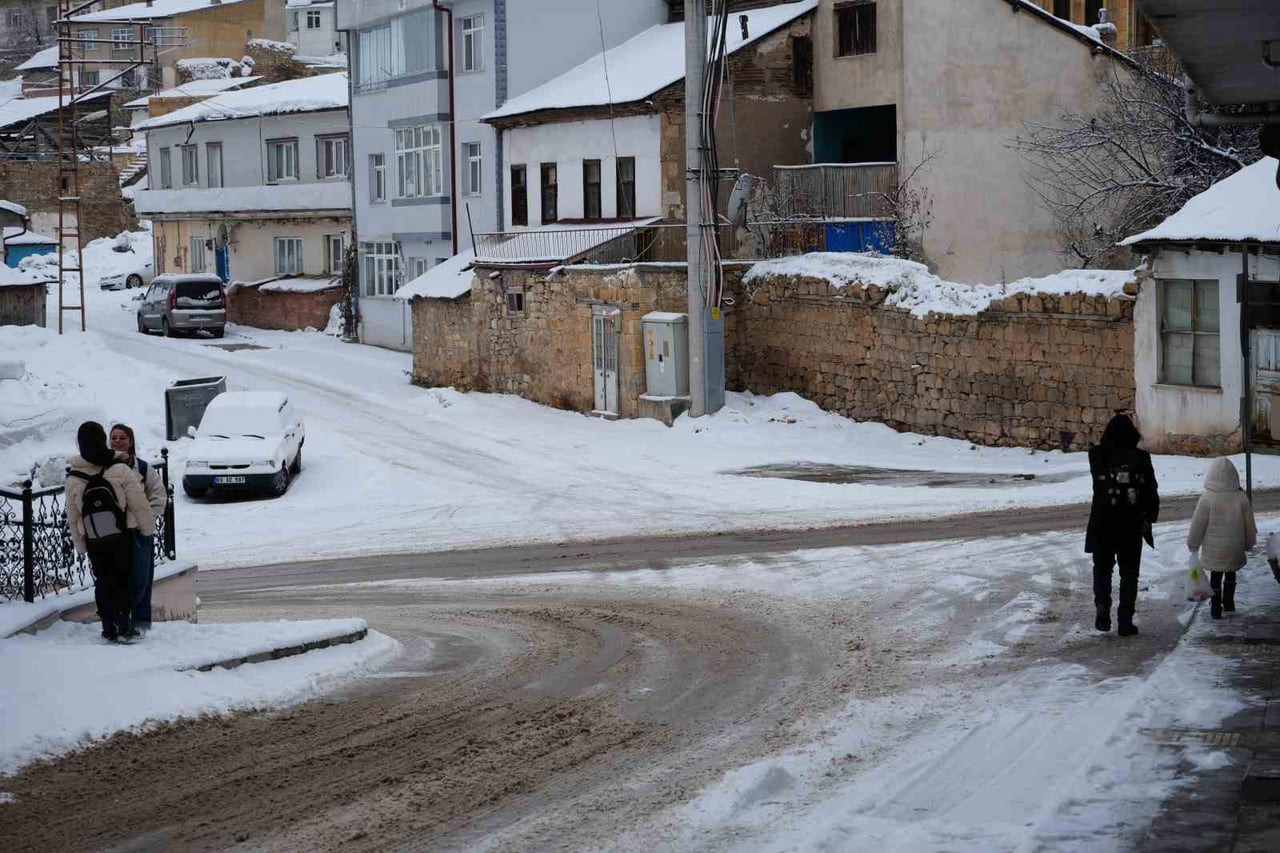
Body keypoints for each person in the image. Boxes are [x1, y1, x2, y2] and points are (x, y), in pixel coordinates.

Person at [65, 421, 155, 642]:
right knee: (123, 578)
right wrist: (147, 529)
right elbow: (138, 503)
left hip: (94, 538)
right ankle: (124, 626)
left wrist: (80, 544)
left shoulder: (74, 477)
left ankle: (107, 627)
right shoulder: (119, 468)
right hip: (120, 534)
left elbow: (73, 515)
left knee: (103, 580)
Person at [1085, 413, 1160, 636]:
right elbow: (1151, 491)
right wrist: (1149, 517)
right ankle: (1125, 621)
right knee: (1129, 574)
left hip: (1102, 523)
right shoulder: (1141, 458)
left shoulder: (1097, 456)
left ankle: (1102, 606)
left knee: (1102, 569)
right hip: (1131, 524)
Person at [110, 423, 167, 634]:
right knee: (117, 578)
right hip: (112, 532)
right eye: (114, 437)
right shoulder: (103, 466)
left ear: (131, 441)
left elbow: (159, 496)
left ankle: (141, 622)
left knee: (142, 576)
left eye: (122, 437)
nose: (117, 441)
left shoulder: (142, 468)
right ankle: (117, 620)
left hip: (138, 531)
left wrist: (144, 518)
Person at [1187, 458, 1256, 620]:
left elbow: (1198, 524)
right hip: (1234, 547)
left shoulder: (1206, 498)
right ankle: (1229, 602)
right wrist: (1249, 543)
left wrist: (1193, 544)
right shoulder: (1241, 497)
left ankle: (1216, 608)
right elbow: (1249, 525)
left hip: (1214, 550)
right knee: (1231, 574)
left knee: (1215, 577)